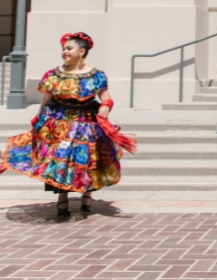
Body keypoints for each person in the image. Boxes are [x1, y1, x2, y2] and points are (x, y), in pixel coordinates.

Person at [0, 32, 136, 216]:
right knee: (59, 160)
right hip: (59, 124)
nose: (65, 51)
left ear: (81, 51)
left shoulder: (95, 75)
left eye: (69, 48)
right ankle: (62, 198)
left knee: (86, 160)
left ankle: (86, 195)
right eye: (63, 48)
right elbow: (46, 99)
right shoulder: (53, 74)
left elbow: (106, 98)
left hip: (86, 124)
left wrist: (105, 107)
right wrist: (38, 118)